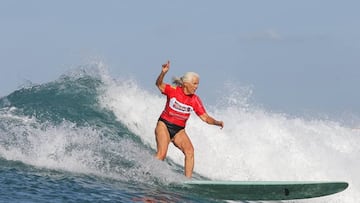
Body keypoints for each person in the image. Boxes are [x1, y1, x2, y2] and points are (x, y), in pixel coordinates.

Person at [154, 60, 224, 178]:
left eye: (198, 84)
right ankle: (147, 172)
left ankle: (188, 181)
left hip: (179, 130)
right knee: (162, 154)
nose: (197, 87)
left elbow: (205, 118)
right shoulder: (173, 90)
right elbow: (159, 84)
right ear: (186, 83)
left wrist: (217, 122)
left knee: (190, 151)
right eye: (195, 83)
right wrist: (163, 73)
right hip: (164, 125)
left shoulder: (195, 100)